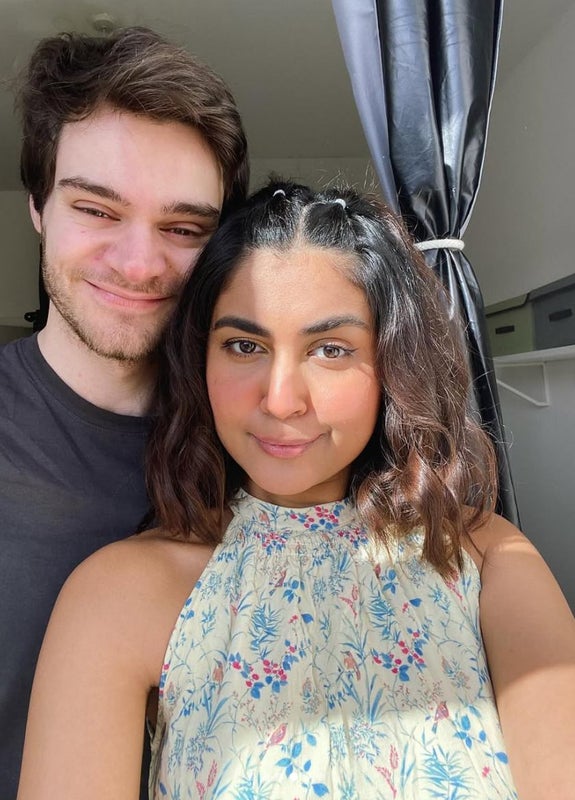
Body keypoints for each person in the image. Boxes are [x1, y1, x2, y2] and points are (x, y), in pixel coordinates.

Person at [18, 180, 575, 800]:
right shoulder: (118, 593)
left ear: (393, 363)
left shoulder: (486, 558)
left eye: (330, 349)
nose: (281, 400)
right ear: (199, 360)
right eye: (244, 345)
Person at [0, 26, 248, 798]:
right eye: (97, 210)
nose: (139, 265)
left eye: (182, 229)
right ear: (39, 206)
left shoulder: (269, 444)